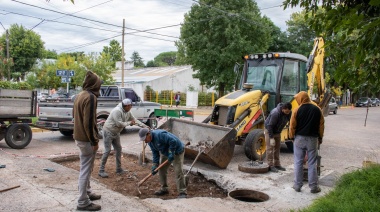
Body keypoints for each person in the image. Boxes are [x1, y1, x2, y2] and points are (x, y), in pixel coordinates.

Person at [73, 71, 102, 211]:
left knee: (86, 167)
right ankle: (83, 202)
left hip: (79, 137)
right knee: (85, 169)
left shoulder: (80, 95)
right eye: (99, 84)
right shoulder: (90, 97)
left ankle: (88, 192)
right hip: (86, 140)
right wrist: (94, 141)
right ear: (95, 84)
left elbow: (76, 117)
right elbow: (89, 122)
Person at [98, 98, 149, 178]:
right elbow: (119, 124)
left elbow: (134, 120)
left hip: (116, 132)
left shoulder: (128, 111)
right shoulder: (117, 111)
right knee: (107, 151)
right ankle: (101, 170)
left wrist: (145, 126)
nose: (130, 107)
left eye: (130, 106)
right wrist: (129, 123)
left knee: (118, 149)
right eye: (129, 106)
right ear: (125, 106)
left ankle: (118, 169)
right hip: (108, 132)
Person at [289, 91, 324, 194]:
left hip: (299, 138)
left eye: (297, 99)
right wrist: (320, 137)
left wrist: (291, 137)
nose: (297, 100)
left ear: (301, 99)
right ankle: (314, 187)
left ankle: (297, 185)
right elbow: (321, 125)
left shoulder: (297, 110)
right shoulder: (317, 110)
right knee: (312, 162)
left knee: (298, 162)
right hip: (313, 139)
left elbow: (292, 125)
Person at [138, 128, 187, 198]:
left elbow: (173, 141)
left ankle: (183, 192)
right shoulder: (149, 142)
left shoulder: (159, 135)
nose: (145, 141)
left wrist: (171, 152)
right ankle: (164, 189)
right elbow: (155, 153)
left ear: (148, 134)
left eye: (145, 139)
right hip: (166, 152)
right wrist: (155, 164)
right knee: (161, 169)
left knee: (178, 171)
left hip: (177, 151)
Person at [264, 102, 292, 172]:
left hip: (278, 132)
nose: (287, 113)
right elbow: (270, 126)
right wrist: (271, 137)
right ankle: (270, 165)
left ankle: (277, 164)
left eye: (288, 112)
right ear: (283, 109)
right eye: (286, 111)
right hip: (269, 131)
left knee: (277, 148)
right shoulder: (275, 113)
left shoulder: (289, 113)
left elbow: (290, 121)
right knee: (270, 149)